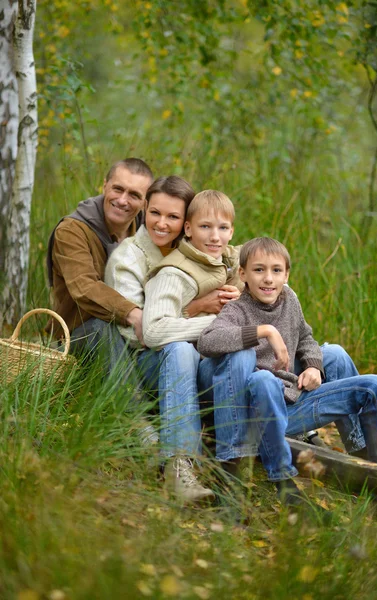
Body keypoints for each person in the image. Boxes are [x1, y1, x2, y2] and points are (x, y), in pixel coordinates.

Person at [197, 237, 377, 507]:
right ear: (243, 274)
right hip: (265, 412)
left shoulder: (289, 299)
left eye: (276, 271)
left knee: (372, 385)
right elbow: (207, 341)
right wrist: (265, 331)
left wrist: (314, 366)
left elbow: (306, 337)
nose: (268, 279)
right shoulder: (237, 310)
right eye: (259, 270)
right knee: (264, 378)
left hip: (295, 397)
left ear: (286, 274)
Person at [105, 184, 240, 502]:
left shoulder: (199, 247)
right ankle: (180, 467)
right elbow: (144, 334)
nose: (162, 223)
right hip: (148, 362)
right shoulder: (128, 259)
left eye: (172, 216)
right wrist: (203, 313)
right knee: (178, 349)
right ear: (144, 211)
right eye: (155, 213)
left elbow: (238, 257)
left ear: (186, 223)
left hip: (196, 357)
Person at [46, 158, 154, 374]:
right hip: (80, 334)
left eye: (134, 195)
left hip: (137, 331)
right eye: (118, 189)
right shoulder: (72, 231)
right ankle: (130, 407)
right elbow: (84, 287)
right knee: (101, 329)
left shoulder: (151, 229)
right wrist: (134, 314)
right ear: (105, 185)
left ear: (145, 202)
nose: (122, 200)